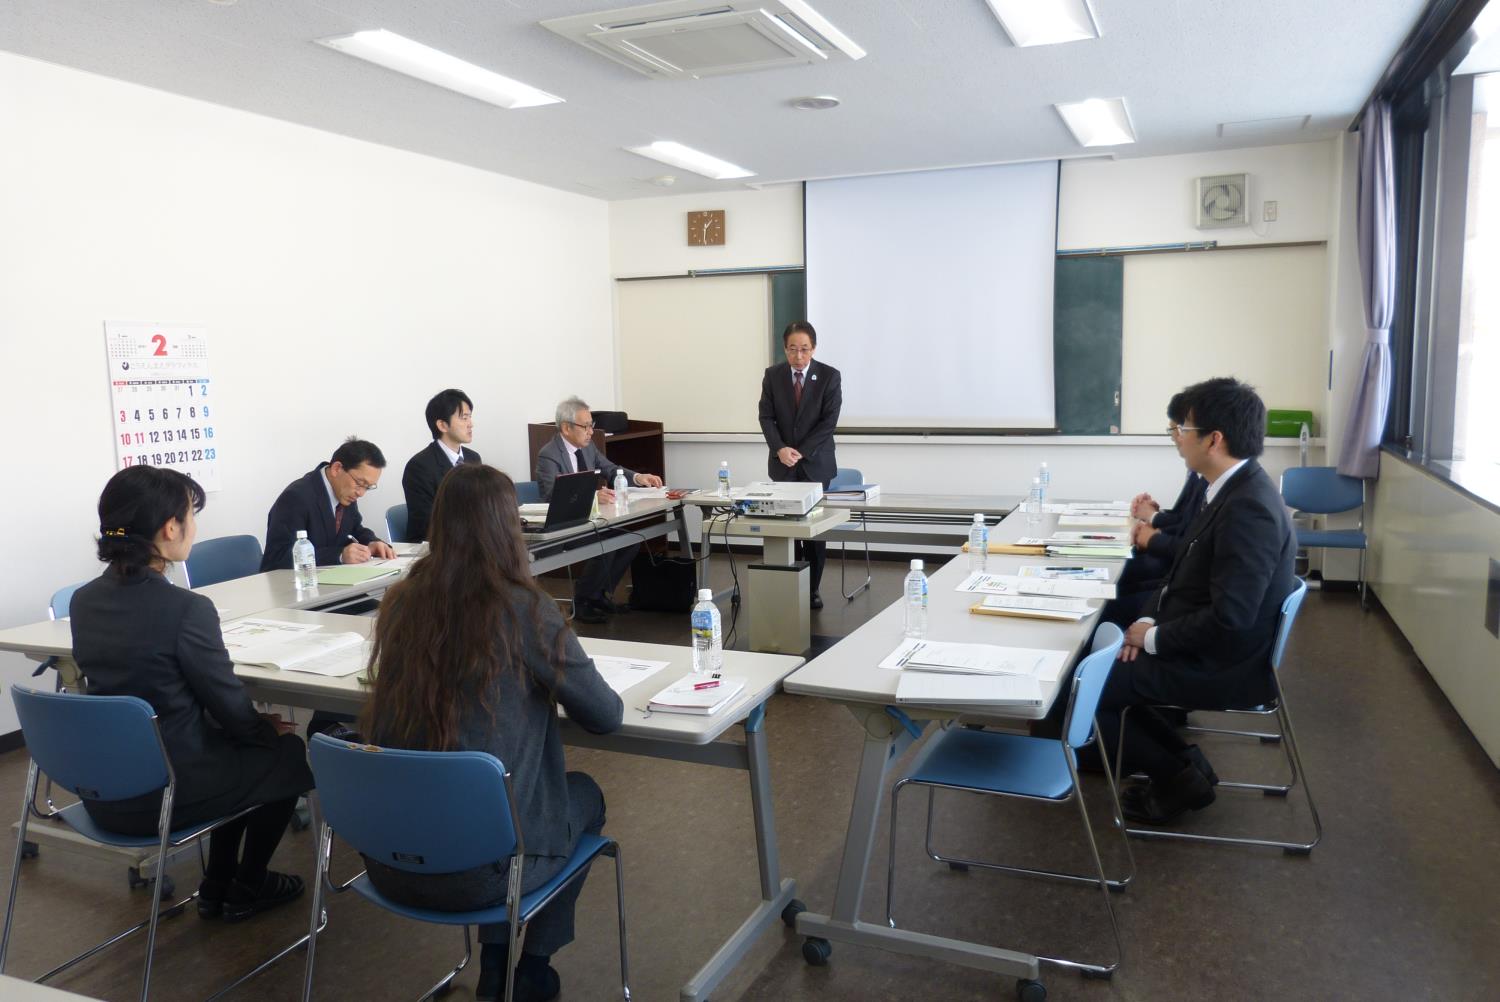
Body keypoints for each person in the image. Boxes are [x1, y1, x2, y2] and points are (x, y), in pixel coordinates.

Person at [360, 464, 623, 1002]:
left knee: (491, 804)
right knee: (584, 796)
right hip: (483, 873)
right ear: (508, 528)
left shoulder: (402, 604)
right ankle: (529, 968)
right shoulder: (524, 608)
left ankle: (497, 963)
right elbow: (605, 715)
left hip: (390, 859)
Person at [71, 465, 313, 921]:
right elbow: (230, 707)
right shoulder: (187, 609)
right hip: (169, 791)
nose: (194, 527)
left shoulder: (83, 602)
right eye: (190, 516)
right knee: (285, 754)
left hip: (107, 791)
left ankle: (219, 880)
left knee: (238, 748)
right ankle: (245, 883)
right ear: (169, 528)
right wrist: (265, 728)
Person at [1097, 377, 1298, 825]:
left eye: (1183, 429)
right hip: (1201, 641)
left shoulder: (1249, 508)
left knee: (1088, 687)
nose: (1178, 438)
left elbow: (1232, 617)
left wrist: (1152, 639)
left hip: (1225, 662)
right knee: (1101, 671)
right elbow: (1181, 575)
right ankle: (1186, 766)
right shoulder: (1228, 488)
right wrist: (1148, 622)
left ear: (1214, 438)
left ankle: (1176, 780)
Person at [534, 397, 663, 624]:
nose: (591, 431)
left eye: (592, 425)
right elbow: (551, 497)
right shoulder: (549, 454)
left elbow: (610, 469)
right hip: (563, 528)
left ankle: (599, 595)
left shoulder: (588, 447)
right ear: (566, 427)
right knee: (605, 545)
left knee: (631, 540)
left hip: (588, 521)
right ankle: (583, 601)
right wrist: (593, 496)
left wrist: (638, 477)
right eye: (586, 426)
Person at [1103, 391, 1208, 627]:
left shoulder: (1218, 486)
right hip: (1177, 578)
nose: (1174, 437)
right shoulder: (1199, 474)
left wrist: (1153, 531)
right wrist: (1154, 517)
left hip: (1180, 584)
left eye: (1177, 430)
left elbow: (1191, 543)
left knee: (1112, 593)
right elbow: (1185, 521)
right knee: (1117, 582)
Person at [757, 321, 842, 609]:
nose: (799, 356)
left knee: (814, 531)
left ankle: (812, 589)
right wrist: (780, 449)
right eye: (793, 349)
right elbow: (766, 417)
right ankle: (788, 584)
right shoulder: (773, 375)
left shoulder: (829, 376)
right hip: (783, 465)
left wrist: (801, 452)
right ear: (785, 349)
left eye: (804, 349)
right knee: (786, 527)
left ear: (813, 348)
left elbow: (828, 422)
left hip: (815, 464)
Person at [261, 437, 396, 571]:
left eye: (368, 487)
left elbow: (354, 530)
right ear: (337, 468)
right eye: (360, 483)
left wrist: (371, 542)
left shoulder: (345, 492)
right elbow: (278, 558)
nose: (361, 493)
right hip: (293, 587)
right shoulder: (296, 498)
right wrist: (339, 555)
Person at [402, 388, 481, 543]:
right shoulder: (419, 467)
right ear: (442, 425)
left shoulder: (473, 458)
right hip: (436, 547)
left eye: (470, 417)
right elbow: (427, 524)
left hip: (471, 543)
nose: (471, 424)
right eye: (464, 418)